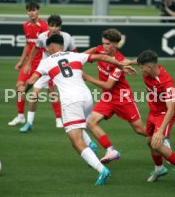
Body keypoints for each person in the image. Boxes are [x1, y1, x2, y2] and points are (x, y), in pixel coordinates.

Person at [22, 34, 135, 185]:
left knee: (76, 141)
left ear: (51, 48)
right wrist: (120, 64)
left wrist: (23, 90)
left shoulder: (46, 62)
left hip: (71, 101)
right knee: (81, 126)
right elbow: (103, 58)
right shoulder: (75, 55)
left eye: (48, 49)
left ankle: (101, 170)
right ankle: (94, 146)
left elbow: (31, 80)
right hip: (86, 98)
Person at [83, 28, 146, 164]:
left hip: (123, 98)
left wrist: (87, 77)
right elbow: (93, 50)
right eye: (104, 43)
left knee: (139, 130)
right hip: (107, 99)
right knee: (91, 122)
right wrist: (77, 58)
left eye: (108, 44)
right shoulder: (100, 50)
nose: (104, 46)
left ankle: (162, 140)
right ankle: (111, 150)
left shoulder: (119, 61)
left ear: (116, 44)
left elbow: (108, 85)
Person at [136, 49, 175, 184]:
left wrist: (160, 132)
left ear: (150, 66)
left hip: (165, 114)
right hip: (152, 112)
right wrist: (124, 65)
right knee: (149, 142)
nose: (141, 71)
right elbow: (135, 62)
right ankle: (159, 169)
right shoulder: (149, 69)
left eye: (142, 68)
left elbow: (171, 109)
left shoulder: (166, 82)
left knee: (156, 143)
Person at [19, 14, 76, 133]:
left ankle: (63, 119)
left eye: (56, 26)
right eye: (51, 25)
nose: (54, 28)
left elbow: (74, 52)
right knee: (35, 94)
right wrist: (28, 63)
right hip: (45, 67)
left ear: (60, 27)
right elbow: (35, 48)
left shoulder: (67, 37)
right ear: (48, 26)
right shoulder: (42, 37)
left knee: (62, 94)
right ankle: (29, 122)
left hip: (60, 69)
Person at [8, 2, 48, 126]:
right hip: (29, 64)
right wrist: (21, 61)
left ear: (38, 11)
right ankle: (20, 116)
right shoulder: (25, 26)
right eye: (29, 10)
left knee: (48, 91)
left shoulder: (44, 26)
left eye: (34, 10)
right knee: (19, 89)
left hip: (40, 65)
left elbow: (46, 46)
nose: (31, 12)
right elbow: (27, 45)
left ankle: (60, 118)